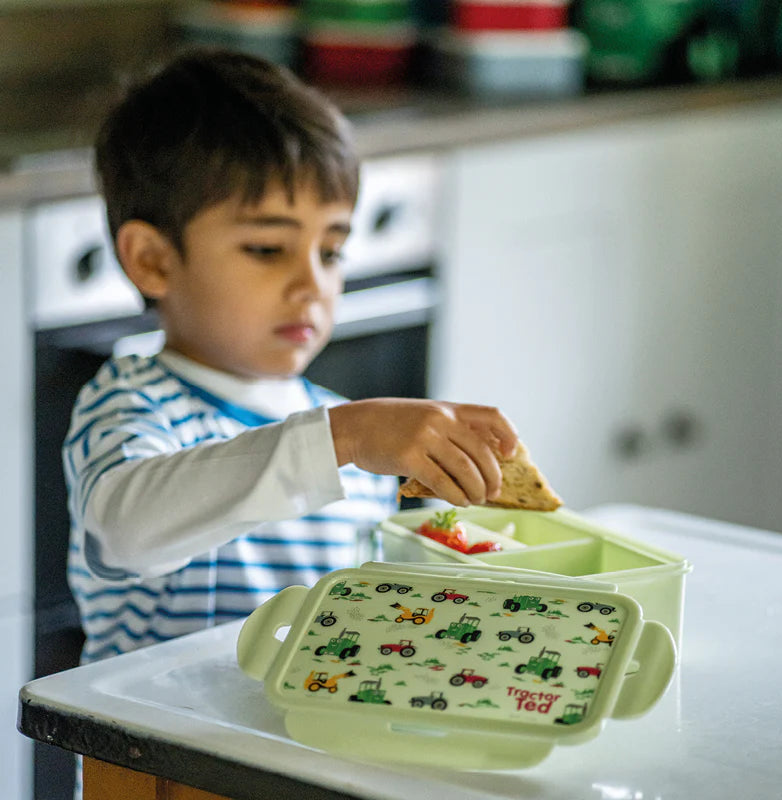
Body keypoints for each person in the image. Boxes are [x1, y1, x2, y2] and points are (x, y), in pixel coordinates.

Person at [64, 48, 518, 670]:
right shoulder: (130, 405)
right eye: (267, 248)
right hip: (162, 764)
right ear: (153, 260)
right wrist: (345, 437)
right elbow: (124, 531)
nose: (312, 285)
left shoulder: (344, 438)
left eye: (330, 253)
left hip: (300, 751)